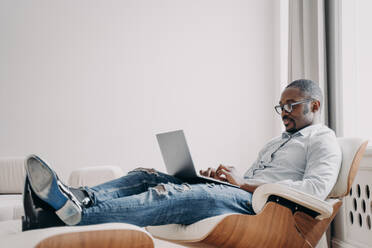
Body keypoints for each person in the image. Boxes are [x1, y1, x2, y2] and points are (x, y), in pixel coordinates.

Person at [22, 79, 342, 231]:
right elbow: (253, 179)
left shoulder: (323, 139)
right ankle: (79, 196)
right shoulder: (274, 142)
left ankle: (78, 215)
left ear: (314, 105)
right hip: (242, 194)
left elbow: (316, 190)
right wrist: (225, 178)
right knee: (146, 175)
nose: (284, 112)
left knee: (171, 192)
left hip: (267, 209)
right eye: (281, 106)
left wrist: (243, 184)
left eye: (292, 105)